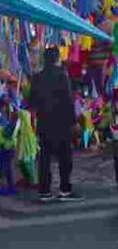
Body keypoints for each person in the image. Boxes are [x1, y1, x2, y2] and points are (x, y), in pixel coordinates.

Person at [27, 46, 83, 201]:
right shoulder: (62, 75)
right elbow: (68, 101)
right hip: (61, 123)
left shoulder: (36, 77)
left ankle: (45, 191)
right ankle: (65, 190)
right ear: (57, 59)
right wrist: (74, 122)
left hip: (44, 123)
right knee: (65, 158)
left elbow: (31, 102)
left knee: (44, 159)